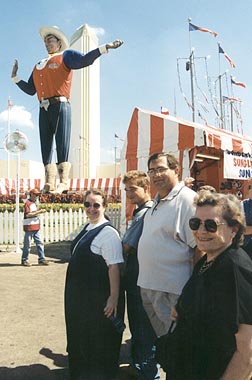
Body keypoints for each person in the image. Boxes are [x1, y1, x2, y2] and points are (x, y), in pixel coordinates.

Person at [11, 26, 123, 193]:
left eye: (50, 40)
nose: (47, 43)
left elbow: (85, 59)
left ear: (59, 43)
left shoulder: (65, 56)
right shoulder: (38, 65)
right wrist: (15, 78)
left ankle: (63, 181)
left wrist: (105, 47)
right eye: (45, 41)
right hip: (43, 107)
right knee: (45, 144)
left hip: (61, 105)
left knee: (62, 142)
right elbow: (30, 89)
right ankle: (49, 181)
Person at [166, 191, 252, 380]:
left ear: (234, 229)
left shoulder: (235, 269)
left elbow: (247, 352)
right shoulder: (208, 260)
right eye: (195, 223)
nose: (201, 231)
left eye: (211, 225)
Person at [137, 152, 201, 337]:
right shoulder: (155, 203)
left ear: (176, 170)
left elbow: (200, 248)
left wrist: (192, 291)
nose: (156, 175)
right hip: (150, 286)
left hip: (172, 291)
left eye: (161, 169)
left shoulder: (188, 200)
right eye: (152, 171)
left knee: (179, 344)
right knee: (165, 343)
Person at [64, 189, 124, 380]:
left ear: (104, 206)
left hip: (97, 300)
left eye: (96, 205)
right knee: (81, 339)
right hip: (81, 300)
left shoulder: (108, 233)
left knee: (98, 344)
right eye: (87, 205)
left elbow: (114, 267)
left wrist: (113, 298)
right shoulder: (89, 227)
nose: (91, 209)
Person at [122, 170, 160, 380]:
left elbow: (126, 246)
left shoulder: (145, 212)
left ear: (146, 188)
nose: (129, 194)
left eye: (133, 189)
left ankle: (148, 373)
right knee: (139, 327)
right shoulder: (142, 211)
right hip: (138, 278)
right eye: (127, 189)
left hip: (140, 281)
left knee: (143, 329)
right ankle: (140, 367)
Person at [22, 188, 48, 266]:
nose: (37, 196)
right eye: (36, 195)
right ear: (32, 194)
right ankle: (24, 260)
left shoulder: (34, 203)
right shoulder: (28, 203)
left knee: (40, 243)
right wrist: (39, 212)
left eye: (38, 195)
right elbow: (28, 215)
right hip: (29, 227)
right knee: (27, 245)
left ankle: (41, 259)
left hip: (35, 226)